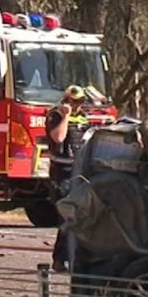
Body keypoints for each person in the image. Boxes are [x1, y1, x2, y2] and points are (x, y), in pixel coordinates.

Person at [45, 85, 90, 272]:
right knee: (66, 217)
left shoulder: (83, 117)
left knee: (80, 216)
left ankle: (74, 257)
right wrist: (65, 116)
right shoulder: (55, 116)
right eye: (74, 101)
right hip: (62, 172)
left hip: (79, 170)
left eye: (80, 102)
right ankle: (59, 259)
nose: (78, 105)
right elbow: (58, 138)